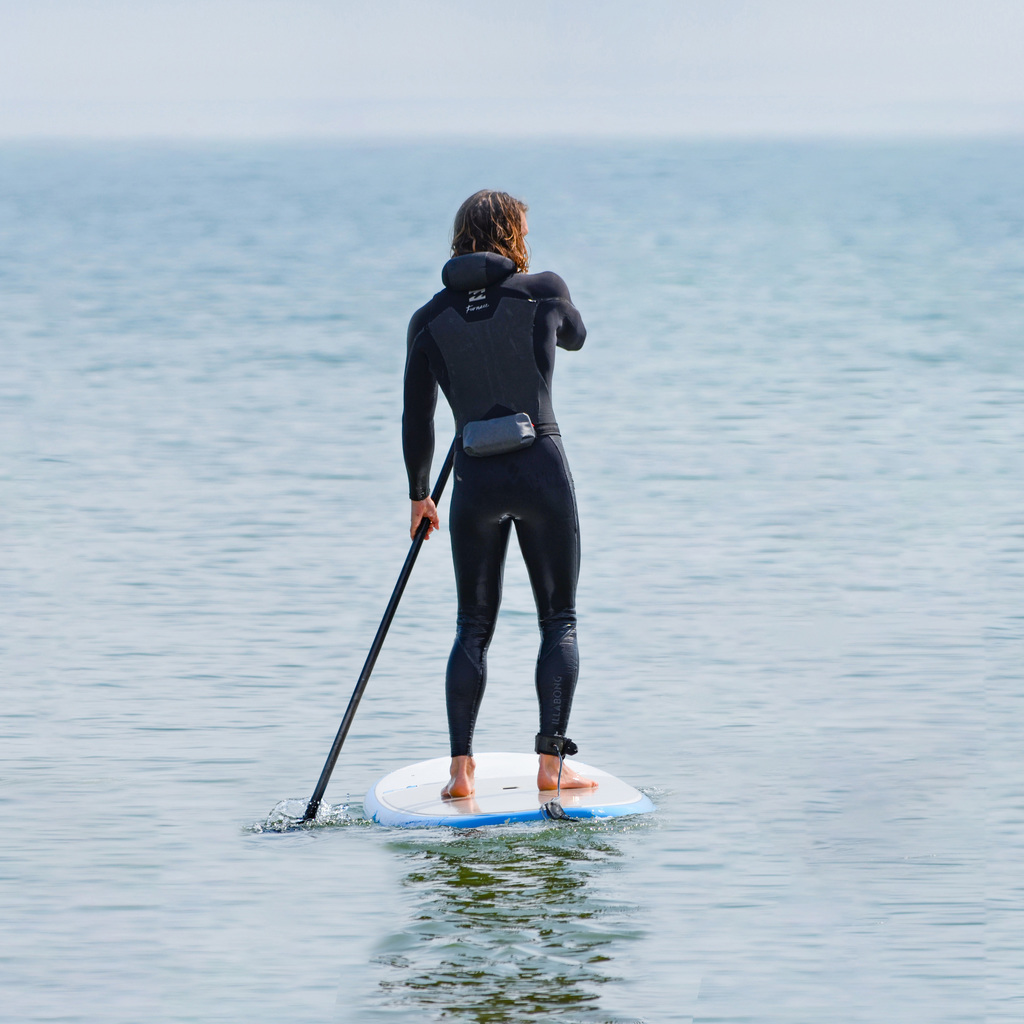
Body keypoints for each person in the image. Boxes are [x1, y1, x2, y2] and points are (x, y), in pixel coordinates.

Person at [402, 189, 597, 799]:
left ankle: (460, 772)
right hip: (541, 469)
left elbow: (417, 416)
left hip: (474, 482)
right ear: (514, 234)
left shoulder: (428, 319)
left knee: (472, 626)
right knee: (557, 621)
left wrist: (418, 495)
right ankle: (551, 766)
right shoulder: (542, 291)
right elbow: (577, 338)